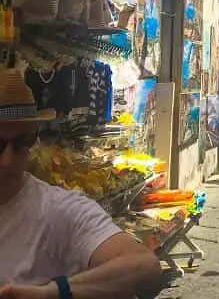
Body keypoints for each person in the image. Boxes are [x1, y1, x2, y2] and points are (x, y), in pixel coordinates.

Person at [0, 68, 162, 295]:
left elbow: (146, 267)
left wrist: (55, 293)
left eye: (21, 143)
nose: (8, 160)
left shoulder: (57, 210)